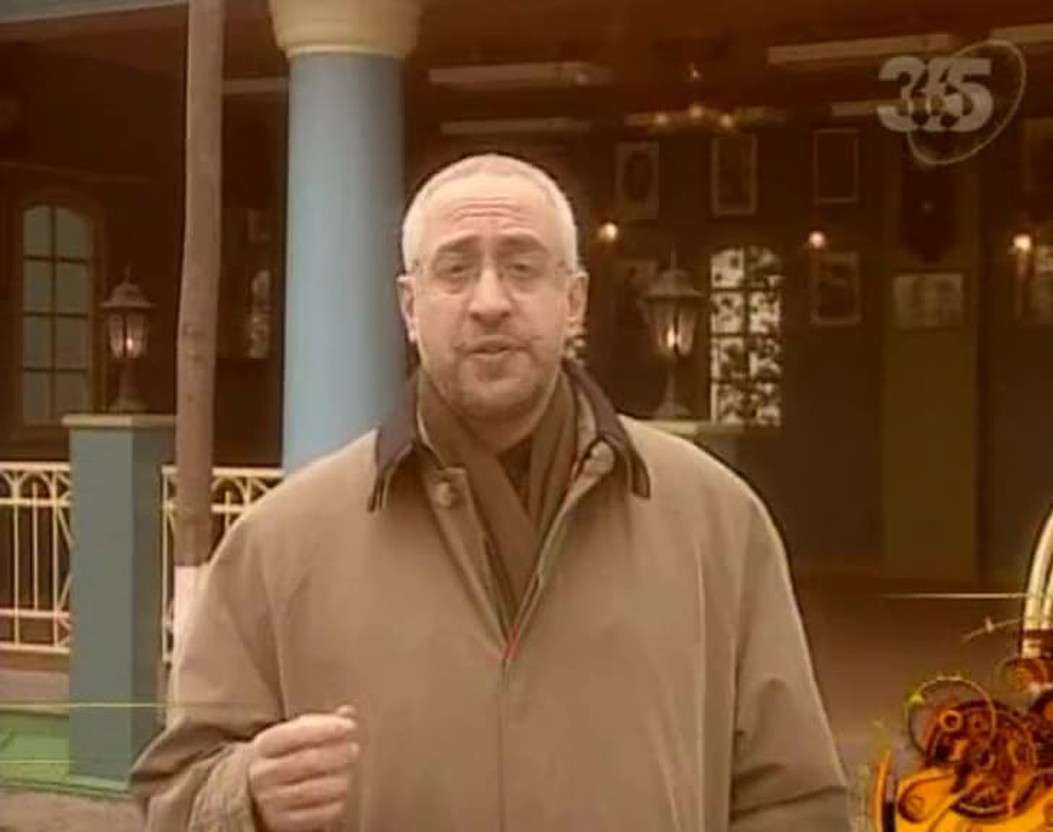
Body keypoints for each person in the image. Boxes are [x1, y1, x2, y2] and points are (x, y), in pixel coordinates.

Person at [129, 153, 852, 831]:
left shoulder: (713, 521)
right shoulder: (284, 542)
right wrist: (248, 793)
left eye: (522, 267)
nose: (489, 302)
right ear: (410, 308)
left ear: (574, 301)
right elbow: (173, 794)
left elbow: (793, 800)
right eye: (455, 270)